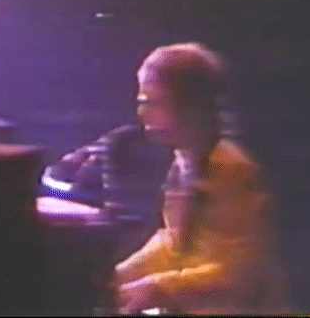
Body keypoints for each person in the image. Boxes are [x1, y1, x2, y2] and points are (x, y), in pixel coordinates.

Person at [112, 42, 288, 315]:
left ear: (189, 106)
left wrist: (159, 288)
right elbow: (173, 246)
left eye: (152, 102)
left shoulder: (231, 170)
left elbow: (238, 275)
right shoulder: (184, 162)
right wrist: (119, 276)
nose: (141, 113)